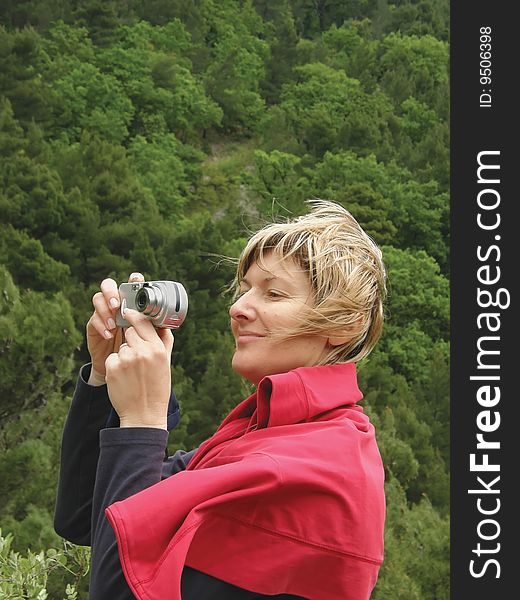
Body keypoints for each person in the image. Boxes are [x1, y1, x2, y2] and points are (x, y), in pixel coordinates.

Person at [54, 199, 387, 599]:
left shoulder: (316, 468)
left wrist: (143, 419)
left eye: (274, 294)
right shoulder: (258, 437)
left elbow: (118, 589)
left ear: (345, 325)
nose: (238, 308)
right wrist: (104, 372)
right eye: (244, 290)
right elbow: (84, 515)